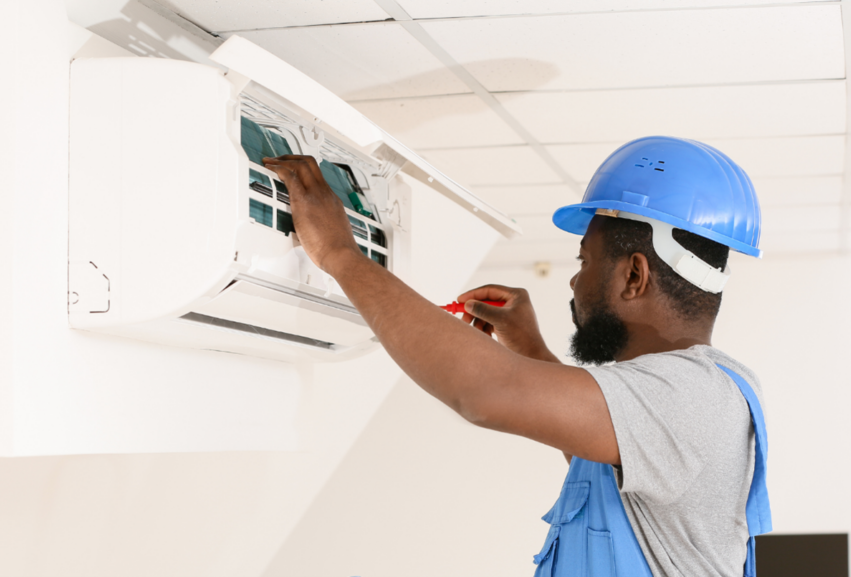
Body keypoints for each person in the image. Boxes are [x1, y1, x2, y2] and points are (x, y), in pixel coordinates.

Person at [262, 136, 771, 577]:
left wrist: (338, 254)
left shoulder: (691, 397)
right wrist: (528, 349)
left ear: (634, 276)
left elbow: (485, 394)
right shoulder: (690, 399)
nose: (575, 280)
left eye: (585, 260)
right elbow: (605, 455)